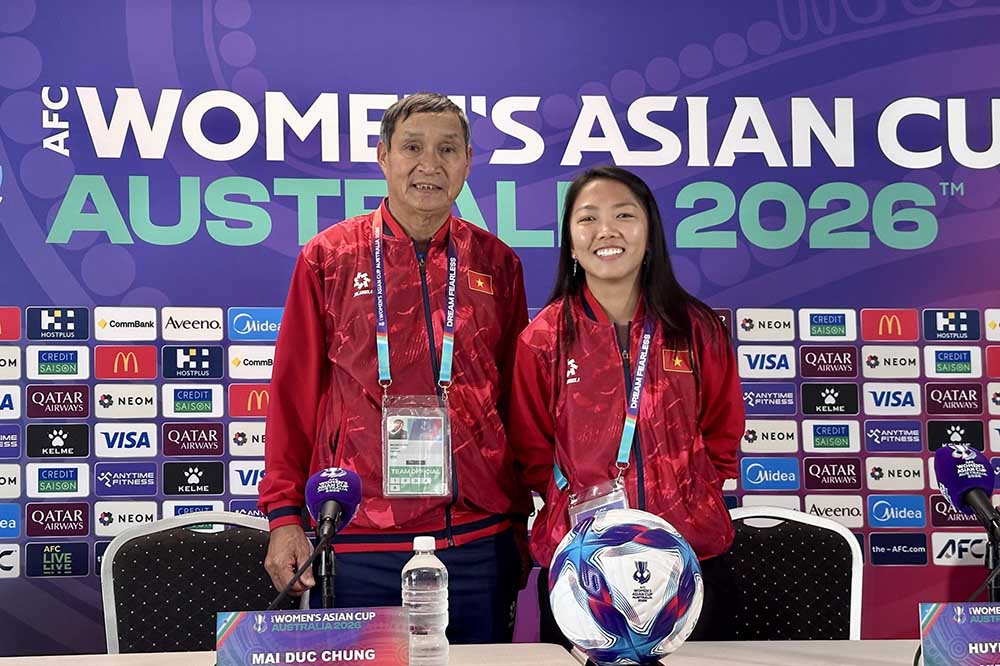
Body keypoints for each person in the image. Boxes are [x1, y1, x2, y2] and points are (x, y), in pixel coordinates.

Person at [259, 93, 532, 643]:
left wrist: (521, 521)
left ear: (467, 162)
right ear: (384, 156)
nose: (430, 164)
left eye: (447, 149)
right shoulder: (329, 258)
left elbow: (517, 406)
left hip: (476, 539)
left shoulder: (498, 264)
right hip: (359, 536)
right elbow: (292, 396)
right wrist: (284, 516)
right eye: (412, 147)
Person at [508, 166, 745, 644]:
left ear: (650, 233)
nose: (606, 231)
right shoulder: (543, 339)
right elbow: (531, 452)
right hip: (583, 569)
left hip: (689, 559)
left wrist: (689, 494)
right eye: (588, 219)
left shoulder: (696, 329)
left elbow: (722, 434)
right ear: (570, 243)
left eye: (623, 215)